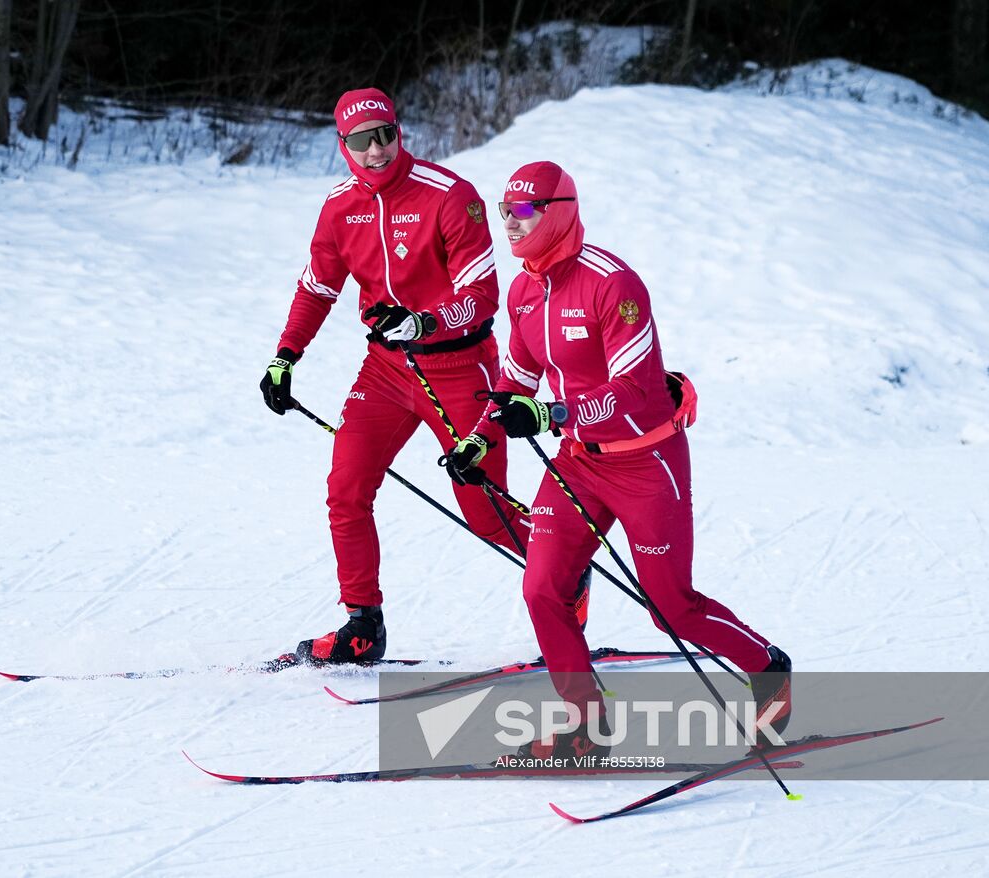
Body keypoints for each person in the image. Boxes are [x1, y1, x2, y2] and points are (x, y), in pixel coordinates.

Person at [444, 160, 792, 756]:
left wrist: (552, 416)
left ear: (558, 213)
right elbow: (514, 384)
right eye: (505, 212)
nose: (510, 224)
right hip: (580, 460)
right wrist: (478, 439)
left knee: (671, 608)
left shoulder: (613, 283)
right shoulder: (526, 290)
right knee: (543, 588)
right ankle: (585, 724)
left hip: (645, 461)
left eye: (522, 212)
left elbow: (636, 392)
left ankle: (767, 669)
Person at [259, 87, 565, 665]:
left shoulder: (450, 196)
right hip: (385, 371)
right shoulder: (339, 207)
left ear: (399, 131)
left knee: (486, 513)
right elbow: (318, 287)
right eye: (360, 141)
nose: (375, 151)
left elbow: (482, 297)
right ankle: (362, 625)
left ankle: (565, 572)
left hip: (460, 368)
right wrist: (285, 356)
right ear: (342, 145)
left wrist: (423, 323)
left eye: (385, 135)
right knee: (346, 490)